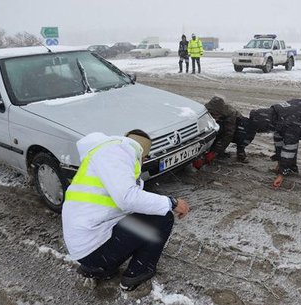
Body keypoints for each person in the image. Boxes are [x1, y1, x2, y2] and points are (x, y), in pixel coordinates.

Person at [62, 130, 190, 291]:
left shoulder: (103, 154)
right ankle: (137, 272)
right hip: (91, 247)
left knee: (147, 213)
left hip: (85, 244)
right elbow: (127, 198)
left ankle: (100, 267)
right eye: (145, 158)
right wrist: (171, 202)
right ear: (143, 154)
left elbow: (129, 200)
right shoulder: (118, 153)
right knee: (163, 216)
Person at [194, 96, 255, 167]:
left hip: (238, 129)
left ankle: (240, 152)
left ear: (219, 113)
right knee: (214, 130)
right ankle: (216, 150)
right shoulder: (207, 109)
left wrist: (214, 152)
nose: (213, 117)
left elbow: (228, 135)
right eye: (211, 115)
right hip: (224, 125)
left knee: (237, 135)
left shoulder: (230, 114)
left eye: (215, 115)